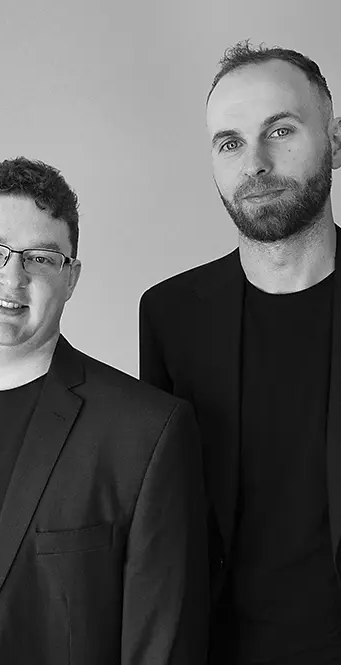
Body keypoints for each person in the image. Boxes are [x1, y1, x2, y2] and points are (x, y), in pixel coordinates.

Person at [0, 156, 208, 665]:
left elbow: (159, 646)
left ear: (70, 278)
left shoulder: (145, 431)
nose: (12, 278)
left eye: (40, 258)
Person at [140, 41, 341, 664]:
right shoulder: (170, 316)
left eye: (280, 131)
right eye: (229, 143)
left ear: (335, 140)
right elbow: (167, 518)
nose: (255, 163)